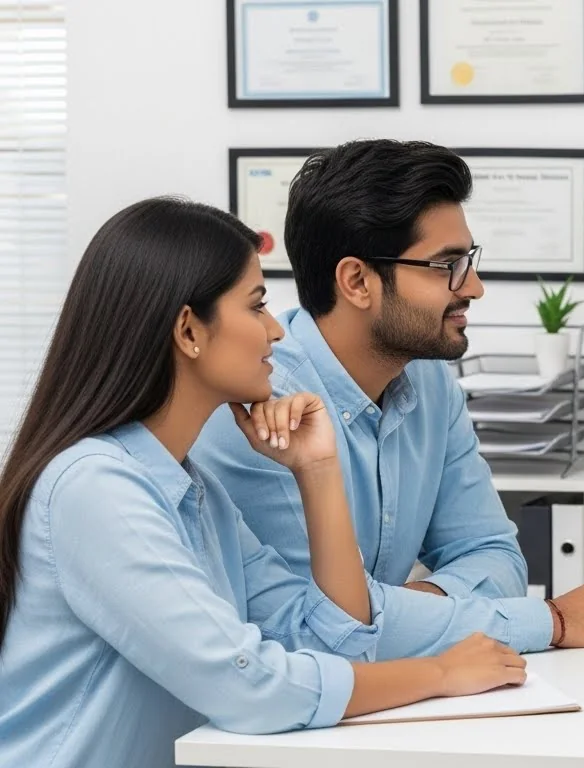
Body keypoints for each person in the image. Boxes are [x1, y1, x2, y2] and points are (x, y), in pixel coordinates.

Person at [0, 198, 528, 768]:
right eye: (257, 307)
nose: (276, 330)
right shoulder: (95, 489)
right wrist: (440, 673)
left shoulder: (196, 496)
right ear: (188, 330)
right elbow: (249, 686)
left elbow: (333, 638)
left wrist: (318, 473)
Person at [191, 139, 584, 658]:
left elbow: (493, 556)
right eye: (447, 266)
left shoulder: (430, 382)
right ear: (357, 281)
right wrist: (552, 621)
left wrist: (407, 609)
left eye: (468, 261)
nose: (475, 287)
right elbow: (321, 635)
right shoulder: (259, 407)